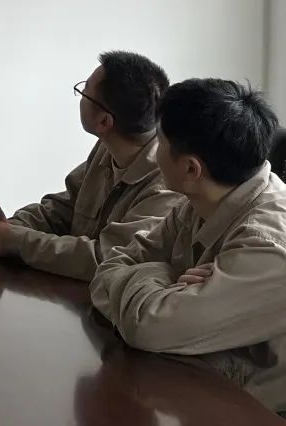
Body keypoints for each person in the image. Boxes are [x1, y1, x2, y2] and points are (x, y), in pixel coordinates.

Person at [91, 78, 286, 415]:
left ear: (191, 168)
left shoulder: (268, 248)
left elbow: (147, 327)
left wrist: (152, 284)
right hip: (193, 389)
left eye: (159, 141)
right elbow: (107, 270)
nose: (153, 152)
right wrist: (167, 276)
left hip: (254, 413)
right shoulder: (200, 199)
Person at [0, 52, 180, 280]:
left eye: (84, 92)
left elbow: (106, 258)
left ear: (104, 122)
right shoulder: (107, 147)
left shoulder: (166, 185)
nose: (80, 98)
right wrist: (4, 228)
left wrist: (15, 241)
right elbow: (62, 209)